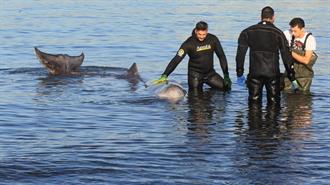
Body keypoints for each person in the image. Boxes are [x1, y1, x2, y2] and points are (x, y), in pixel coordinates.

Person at [235, 6, 298, 105]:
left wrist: (239, 71)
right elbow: (286, 55)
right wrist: (291, 74)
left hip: (255, 72)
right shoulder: (278, 33)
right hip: (272, 74)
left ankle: (254, 119)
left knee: (253, 103)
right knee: (274, 104)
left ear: (261, 17)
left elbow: (240, 54)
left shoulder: (247, 32)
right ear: (273, 17)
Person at [153, 21, 232, 92]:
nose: (201, 37)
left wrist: (226, 75)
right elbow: (176, 60)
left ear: (207, 31)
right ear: (196, 31)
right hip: (195, 75)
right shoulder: (188, 43)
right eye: (199, 34)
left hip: (210, 74)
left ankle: (209, 96)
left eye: (204, 34)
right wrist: (165, 75)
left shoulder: (213, 39)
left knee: (227, 89)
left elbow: (221, 56)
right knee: (196, 100)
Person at [283, 17, 317, 92]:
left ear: (302, 29)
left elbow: (306, 60)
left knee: (303, 97)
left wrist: (290, 52)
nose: (293, 33)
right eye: (291, 31)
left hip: (304, 77)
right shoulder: (287, 34)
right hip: (289, 73)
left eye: (295, 31)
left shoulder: (310, 39)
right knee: (286, 94)